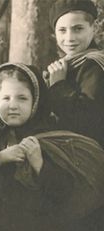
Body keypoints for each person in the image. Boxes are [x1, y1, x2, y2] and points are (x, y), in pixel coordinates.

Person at [0, 62, 104, 231]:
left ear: (36, 101)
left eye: (22, 98)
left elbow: (64, 191)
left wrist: (39, 164)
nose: (13, 105)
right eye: (6, 98)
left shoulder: (51, 138)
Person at [46, 0, 104, 146]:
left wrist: (59, 85)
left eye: (78, 29)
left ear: (94, 27)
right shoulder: (67, 65)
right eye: (62, 30)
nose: (70, 38)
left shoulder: (95, 65)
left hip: (89, 150)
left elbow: (85, 120)